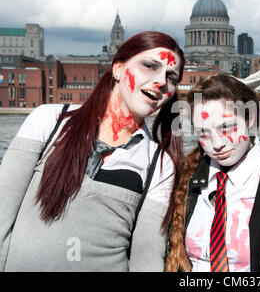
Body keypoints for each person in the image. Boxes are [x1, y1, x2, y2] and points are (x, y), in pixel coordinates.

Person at [0, 31, 185, 271]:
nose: (161, 82)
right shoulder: (49, 121)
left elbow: (146, 260)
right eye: (149, 66)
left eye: (171, 77)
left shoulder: (159, 165)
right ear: (117, 69)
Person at [165, 75, 260, 272]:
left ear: (250, 119)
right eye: (204, 133)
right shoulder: (187, 179)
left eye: (226, 128)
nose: (217, 145)